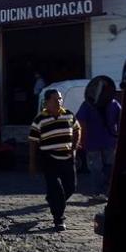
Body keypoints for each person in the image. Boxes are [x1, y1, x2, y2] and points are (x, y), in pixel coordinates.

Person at [29, 89, 81, 232]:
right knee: (56, 190)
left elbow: (77, 129)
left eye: (60, 99)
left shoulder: (69, 115)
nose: (59, 101)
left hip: (68, 158)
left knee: (70, 188)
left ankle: (53, 200)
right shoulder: (39, 119)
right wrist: (32, 162)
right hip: (49, 159)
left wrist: (74, 147)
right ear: (47, 102)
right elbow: (33, 142)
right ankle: (59, 219)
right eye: (55, 99)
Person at [75, 82, 120, 200]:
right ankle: (107, 191)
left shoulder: (87, 104)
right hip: (110, 141)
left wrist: (81, 140)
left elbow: (81, 123)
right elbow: (121, 120)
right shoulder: (114, 104)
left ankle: (97, 193)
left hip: (92, 142)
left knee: (95, 169)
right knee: (109, 167)